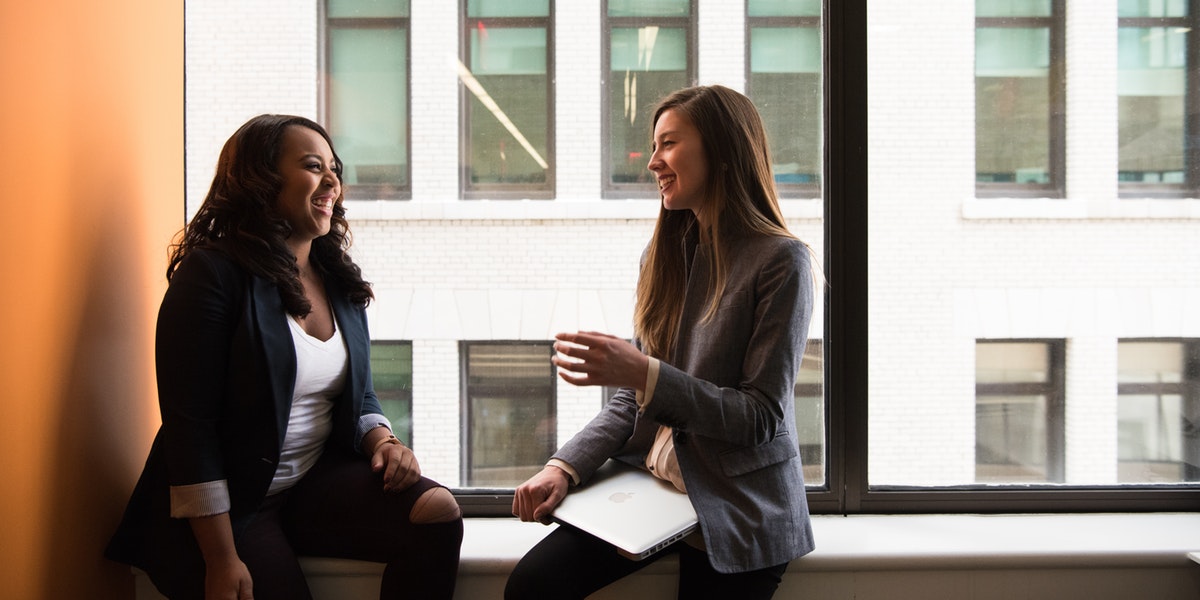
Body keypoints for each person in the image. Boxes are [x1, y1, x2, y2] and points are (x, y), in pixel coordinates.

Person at [105, 114, 463, 600]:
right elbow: (191, 430)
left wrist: (383, 440)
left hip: (310, 484)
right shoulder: (211, 274)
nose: (333, 180)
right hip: (230, 510)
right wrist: (220, 559)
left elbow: (357, 392)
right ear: (261, 180)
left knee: (436, 512)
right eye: (314, 166)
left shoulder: (337, 277)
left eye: (335, 168)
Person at [505, 85, 817, 600]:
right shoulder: (665, 253)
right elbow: (632, 399)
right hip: (655, 491)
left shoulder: (783, 261)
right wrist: (563, 467)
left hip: (738, 503)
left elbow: (760, 417)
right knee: (531, 586)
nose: (652, 163)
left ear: (721, 150)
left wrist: (645, 373)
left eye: (668, 144)